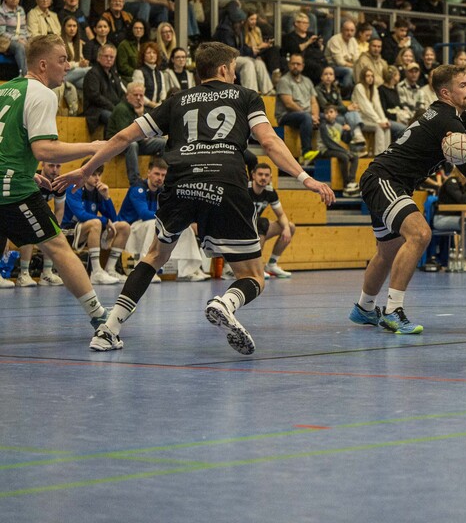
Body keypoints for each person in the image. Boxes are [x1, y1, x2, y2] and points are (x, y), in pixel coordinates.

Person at [54, 41, 335, 354]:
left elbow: (122, 137)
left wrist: (85, 170)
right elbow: (269, 142)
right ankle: (226, 302)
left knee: (154, 256)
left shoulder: (177, 100)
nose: (235, 76)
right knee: (254, 276)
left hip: (181, 181)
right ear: (224, 69)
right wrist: (305, 178)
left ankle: (108, 330)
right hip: (226, 180)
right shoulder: (245, 96)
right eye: (234, 70)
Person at [348, 64, 466, 334]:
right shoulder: (447, 120)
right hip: (385, 180)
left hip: (384, 180)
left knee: (387, 252)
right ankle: (393, 311)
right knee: (419, 234)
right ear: (446, 93)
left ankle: (364, 308)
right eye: (463, 85)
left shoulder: (457, 117)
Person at [0, 34, 108, 328]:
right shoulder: (42, 94)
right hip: (12, 190)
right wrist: (92, 147)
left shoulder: (6, 89)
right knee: (58, 246)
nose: (68, 66)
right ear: (43, 65)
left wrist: (29, 170)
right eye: (62, 60)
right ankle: (100, 318)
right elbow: (45, 149)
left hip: (10, 179)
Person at [118, 157, 207, 282]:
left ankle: (188, 270)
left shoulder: (163, 191)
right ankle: (147, 270)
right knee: (153, 225)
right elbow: (144, 214)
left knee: (184, 227)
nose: (159, 178)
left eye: (163, 175)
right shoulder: (137, 188)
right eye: (156, 174)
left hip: (148, 224)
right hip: (131, 226)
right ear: (149, 172)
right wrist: (169, 216)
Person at [62, 161, 131, 285]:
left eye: (99, 174)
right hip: (69, 230)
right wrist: (104, 221)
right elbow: (81, 215)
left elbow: (113, 219)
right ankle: (96, 272)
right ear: (84, 173)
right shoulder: (74, 188)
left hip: (90, 228)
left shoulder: (98, 191)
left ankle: (110, 269)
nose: (97, 178)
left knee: (124, 227)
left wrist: (106, 197)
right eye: (93, 174)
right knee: (96, 223)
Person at [15, 162, 66, 287]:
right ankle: (23, 274)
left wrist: (55, 229)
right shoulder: (32, 178)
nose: (55, 170)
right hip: (16, 208)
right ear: (42, 164)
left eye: (58, 166)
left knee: (52, 230)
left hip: (35, 210)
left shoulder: (59, 183)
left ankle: (47, 273)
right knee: (28, 227)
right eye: (51, 166)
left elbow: (59, 210)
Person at [107, 83, 167, 186]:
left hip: (138, 141)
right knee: (132, 144)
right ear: (127, 95)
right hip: (117, 144)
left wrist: (140, 114)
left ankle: (159, 173)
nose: (138, 98)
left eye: (141, 95)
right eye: (135, 95)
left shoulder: (142, 109)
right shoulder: (121, 108)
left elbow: (150, 131)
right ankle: (135, 181)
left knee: (163, 143)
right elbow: (125, 136)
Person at [249, 162, 298, 277]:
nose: (263, 178)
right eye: (260, 174)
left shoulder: (270, 192)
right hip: (240, 228)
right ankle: (256, 267)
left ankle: (272, 264)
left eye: (266, 175)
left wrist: (286, 228)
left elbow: (281, 215)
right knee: (261, 224)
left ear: (270, 177)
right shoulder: (245, 189)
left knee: (290, 227)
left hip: (255, 227)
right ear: (253, 175)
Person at [276, 53, 320, 164]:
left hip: (305, 116)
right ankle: (306, 152)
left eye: (298, 64)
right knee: (305, 117)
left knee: (326, 118)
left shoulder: (308, 81)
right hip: (286, 116)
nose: (295, 66)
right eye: (293, 64)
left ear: (303, 66)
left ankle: (324, 152)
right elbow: (289, 104)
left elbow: (314, 102)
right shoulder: (284, 80)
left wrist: (315, 116)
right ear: (289, 65)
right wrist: (309, 116)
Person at [319, 104, 361, 197]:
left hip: (336, 149)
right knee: (344, 156)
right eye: (326, 113)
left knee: (355, 156)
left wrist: (348, 132)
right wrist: (345, 151)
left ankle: (351, 181)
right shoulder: (323, 126)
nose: (329, 114)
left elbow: (346, 140)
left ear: (336, 113)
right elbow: (329, 143)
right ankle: (346, 184)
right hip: (324, 150)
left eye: (331, 112)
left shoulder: (338, 126)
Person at [82, 43, 125, 133]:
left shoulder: (114, 75)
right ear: (98, 57)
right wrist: (113, 107)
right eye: (106, 56)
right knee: (112, 117)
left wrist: (121, 108)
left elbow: (121, 94)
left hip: (112, 108)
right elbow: (95, 96)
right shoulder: (92, 74)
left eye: (111, 57)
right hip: (95, 111)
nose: (109, 59)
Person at [352, 68, 392, 155]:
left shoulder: (374, 88)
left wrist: (384, 120)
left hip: (371, 119)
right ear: (363, 77)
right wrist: (378, 121)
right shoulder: (359, 87)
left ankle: (387, 155)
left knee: (387, 127)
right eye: (367, 76)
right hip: (361, 120)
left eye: (372, 76)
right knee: (379, 127)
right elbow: (366, 108)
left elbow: (378, 106)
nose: (370, 78)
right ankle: (379, 155)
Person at [0, 0, 29, 75]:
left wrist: (26, 39)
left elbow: (24, 28)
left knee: (37, 45)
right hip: (5, 40)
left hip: (21, 39)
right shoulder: (1, 11)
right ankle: (25, 74)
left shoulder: (21, 10)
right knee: (19, 46)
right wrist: (17, 39)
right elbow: (2, 32)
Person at [325, 19, 359, 95]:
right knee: (349, 71)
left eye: (352, 31)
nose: (349, 33)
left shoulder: (353, 41)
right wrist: (355, 66)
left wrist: (357, 66)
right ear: (342, 30)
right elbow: (340, 62)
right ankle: (344, 94)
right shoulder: (335, 40)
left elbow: (357, 58)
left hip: (349, 65)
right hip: (332, 66)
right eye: (347, 30)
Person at [131, 42, 169, 110]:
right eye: (148, 53)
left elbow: (163, 92)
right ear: (143, 56)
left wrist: (161, 104)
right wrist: (153, 105)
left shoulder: (160, 73)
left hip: (158, 108)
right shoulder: (139, 72)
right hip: (143, 108)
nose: (152, 55)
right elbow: (139, 95)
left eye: (154, 53)